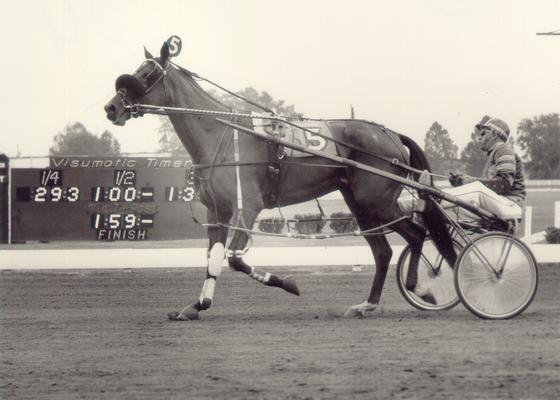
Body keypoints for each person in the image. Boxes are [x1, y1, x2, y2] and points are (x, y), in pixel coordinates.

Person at [445, 116, 525, 222]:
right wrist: (461, 183)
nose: (479, 137)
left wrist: (470, 182)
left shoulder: (503, 149)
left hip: (510, 204)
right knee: (456, 206)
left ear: (494, 134)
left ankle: (437, 198)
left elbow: (504, 183)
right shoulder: (496, 153)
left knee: (477, 188)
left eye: (483, 133)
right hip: (502, 204)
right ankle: (438, 198)